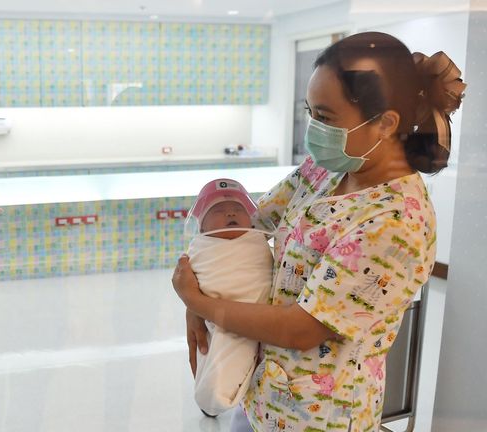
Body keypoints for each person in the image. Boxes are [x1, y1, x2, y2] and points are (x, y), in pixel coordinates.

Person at [172, 31, 465, 431]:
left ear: (385, 123)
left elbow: (302, 328)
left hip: (319, 417)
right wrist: (200, 288)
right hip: (264, 396)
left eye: (324, 117)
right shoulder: (329, 168)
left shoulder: (395, 224)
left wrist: (199, 302)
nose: (313, 128)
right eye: (310, 112)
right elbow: (251, 223)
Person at [184, 179, 273, 417]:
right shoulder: (202, 248)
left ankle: (216, 394)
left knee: (238, 354)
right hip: (219, 317)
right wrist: (194, 304)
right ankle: (212, 397)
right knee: (216, 349)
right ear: (202, 229)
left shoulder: (256, 241)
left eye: (238, 209)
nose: (231, 212)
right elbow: (190, 277)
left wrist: (194, 301)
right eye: (218, 211)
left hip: (265, 319)